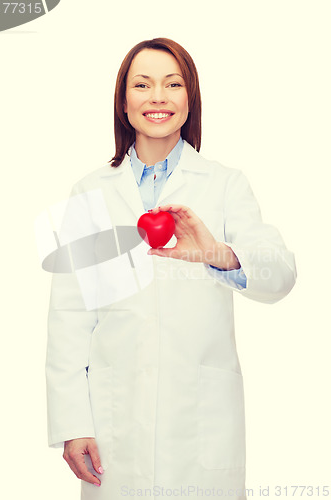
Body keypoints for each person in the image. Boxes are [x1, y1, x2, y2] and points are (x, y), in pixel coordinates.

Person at [45, 38, 297, 500]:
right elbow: (69, 319)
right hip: (114, 422)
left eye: (172, 84)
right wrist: (72, 423)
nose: (157, 96)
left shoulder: (224, 184)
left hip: (200, 421)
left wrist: (221, 254)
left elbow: (281, 274)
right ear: (124, 102)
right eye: (142, 84)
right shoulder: (89, 191)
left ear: (189, 99)